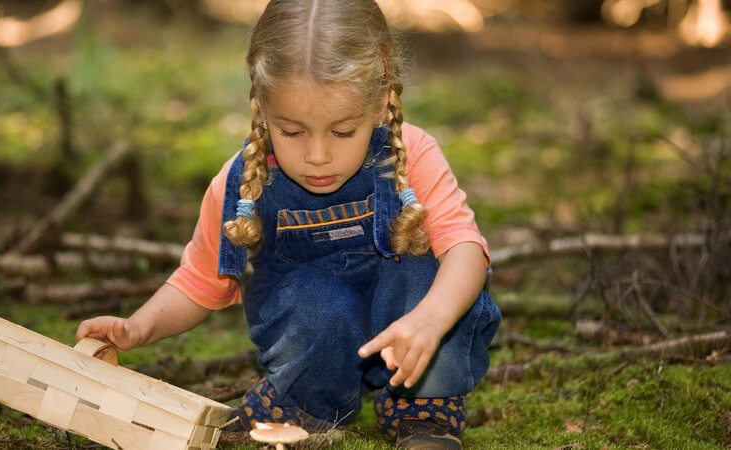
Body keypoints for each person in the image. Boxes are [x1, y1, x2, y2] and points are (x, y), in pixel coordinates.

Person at [76, 1, 501, 448]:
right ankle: (306, 405)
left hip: (413, 334)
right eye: (293, 132)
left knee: (430, 272)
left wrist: (431, 319)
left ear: (379, 104)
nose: (318, 156)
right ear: (262, 109)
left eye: (342, 132)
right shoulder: (242, 184)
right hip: (315, 337)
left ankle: (424, 411)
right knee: (319, 300)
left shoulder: (410, 154)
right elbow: (198, 282)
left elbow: (466, 248)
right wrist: (138, 327)